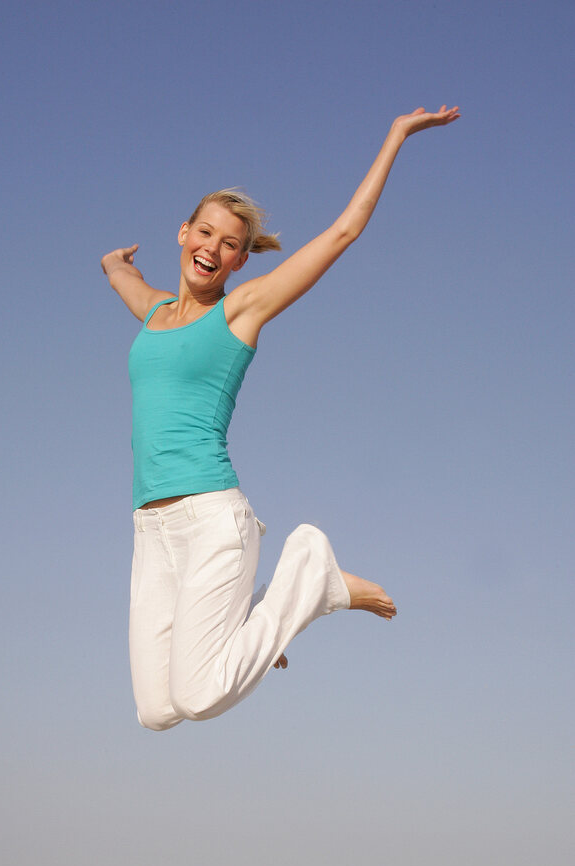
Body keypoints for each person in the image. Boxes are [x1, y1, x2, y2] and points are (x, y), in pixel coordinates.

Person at [102, 105, 460, 731]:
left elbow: (343, 232)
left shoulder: (240, 311)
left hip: (212, 515)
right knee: (157, 712)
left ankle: (311, 569)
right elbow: (124, 280)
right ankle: (276, 611)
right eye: (205, 233)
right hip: (150, 528)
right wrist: (113, 263)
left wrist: (396, 135)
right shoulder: (155, 312)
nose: (213, 248)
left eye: (230, 244)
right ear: (183, 234)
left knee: (199, 697)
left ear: (241, 261)